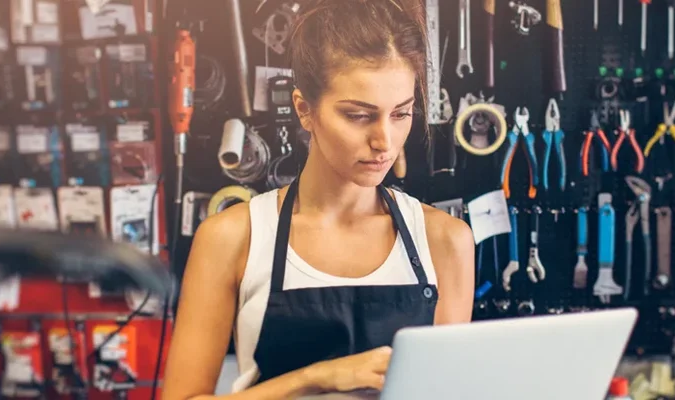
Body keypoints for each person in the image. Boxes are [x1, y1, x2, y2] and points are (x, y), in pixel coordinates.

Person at [161, 0, 475, 398]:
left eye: (401, 114)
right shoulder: (232, 237)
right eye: (358, 115)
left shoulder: (446, 240)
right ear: (304, 110)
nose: (384, 141)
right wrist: (317, 378)